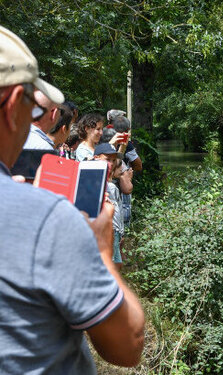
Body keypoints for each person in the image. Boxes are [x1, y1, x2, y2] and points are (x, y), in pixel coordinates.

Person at [0, 25, 144, 372]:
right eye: (34, 111)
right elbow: (128, 346)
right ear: (11, 107)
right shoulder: (46, 218)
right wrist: (101, 252)